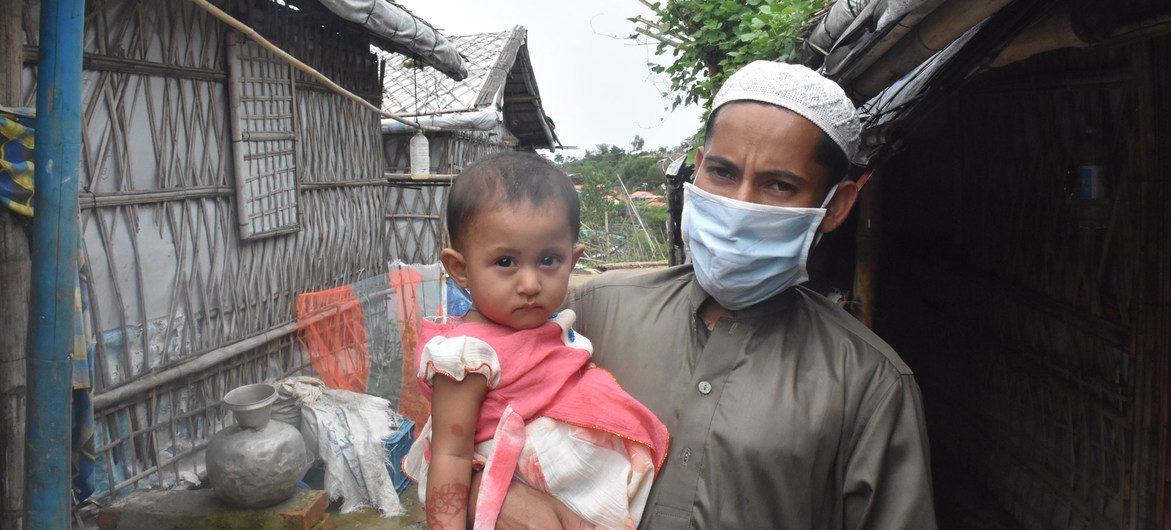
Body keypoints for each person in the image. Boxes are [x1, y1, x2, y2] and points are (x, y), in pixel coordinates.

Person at [495, 61, 939, 529]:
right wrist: (507, 503)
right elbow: (460, 423)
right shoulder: (592, 312)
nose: (740, 204)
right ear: (699, 168)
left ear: (837, 206)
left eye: (779, 185)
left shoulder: (869, 383)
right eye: (723, 174)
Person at [402, 152, 670, 530]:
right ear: (460, 269)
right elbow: (450, 454)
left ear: (573, 261)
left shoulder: (550, 330)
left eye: (548, 260)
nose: (530, 284)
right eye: (506, 263)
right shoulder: (466, 356)